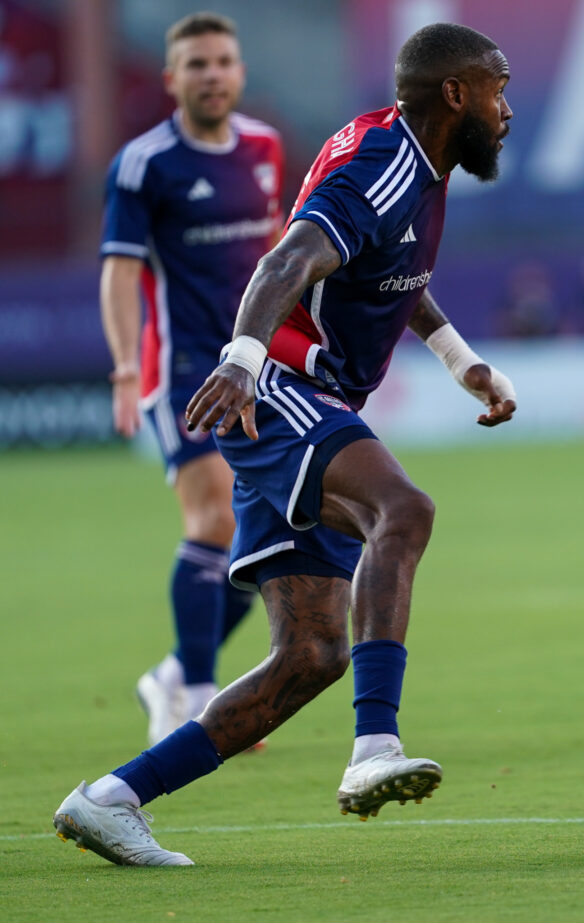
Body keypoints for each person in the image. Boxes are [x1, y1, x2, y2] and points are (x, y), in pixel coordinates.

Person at [53, 21, 516, 867]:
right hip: (280, 391)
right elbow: (286, 260)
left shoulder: (410, 160)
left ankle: (109, 799)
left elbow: (394, 274)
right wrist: (241, 361)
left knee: (310, 654)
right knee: (403, 510)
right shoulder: (384, 163)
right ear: (456, 94)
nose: (507, 107)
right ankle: (375, 746)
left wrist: (461, 360)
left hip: (294, 394)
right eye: (499, 87)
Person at [99, 12, 284, 745]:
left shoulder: (266, 148)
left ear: (239, 71)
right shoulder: (146, 164)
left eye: (223, 61)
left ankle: (175, 672)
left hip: (258, 367)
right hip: (179, 370)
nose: (212, 73)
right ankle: (206, 700)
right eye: (197, 64)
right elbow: (119, 270)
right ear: (172, 77)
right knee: (212, 520)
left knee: (268, 535)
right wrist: (120, 369)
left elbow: (277, 259)